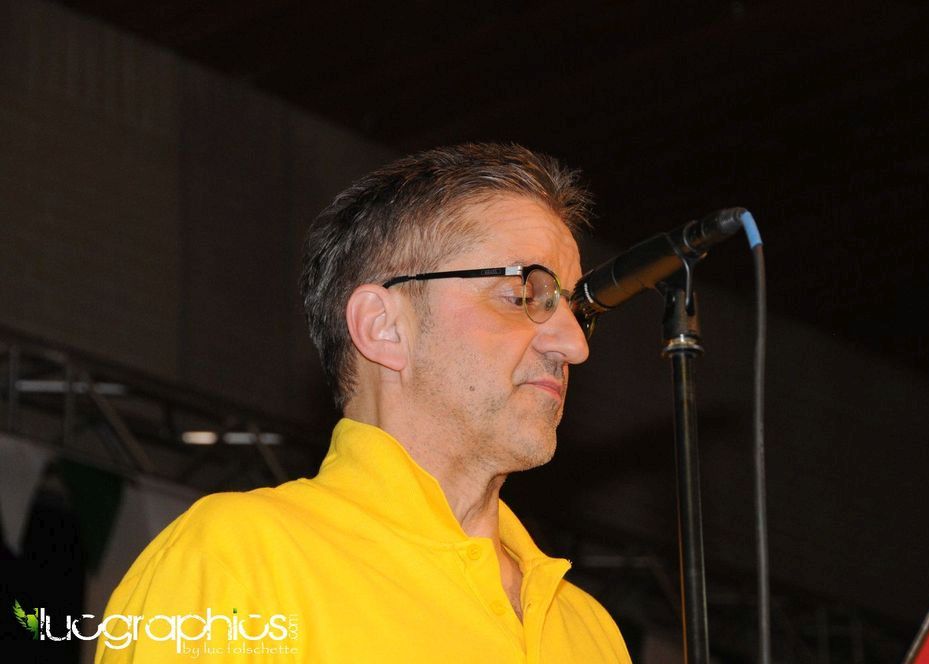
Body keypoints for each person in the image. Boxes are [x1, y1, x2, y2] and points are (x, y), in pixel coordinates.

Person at [96, 143, 632, 662]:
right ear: (383, 327)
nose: (574, 345)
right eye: (522, 295)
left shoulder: (588, 629)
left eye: (576, 311)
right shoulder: (240, 559)